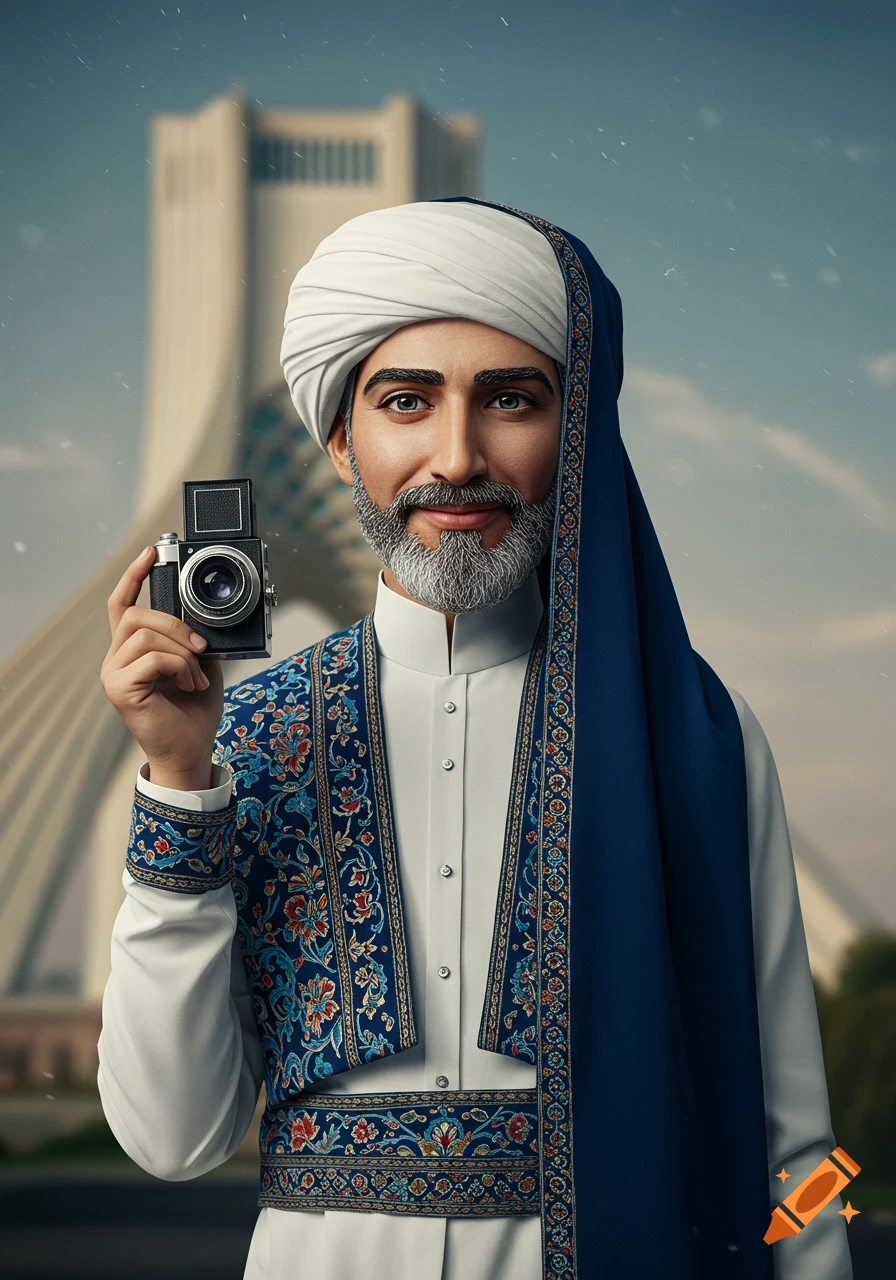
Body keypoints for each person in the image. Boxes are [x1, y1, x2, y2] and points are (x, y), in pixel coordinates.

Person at [97, 198, 853, 1280]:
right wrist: (178, 781)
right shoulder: (245, 739)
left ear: (575, 430)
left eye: (509, 400)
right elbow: (172, 1140)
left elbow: (803, 1153)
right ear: (340, 437)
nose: (456, 457)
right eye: (407, 401)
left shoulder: (690, 735)